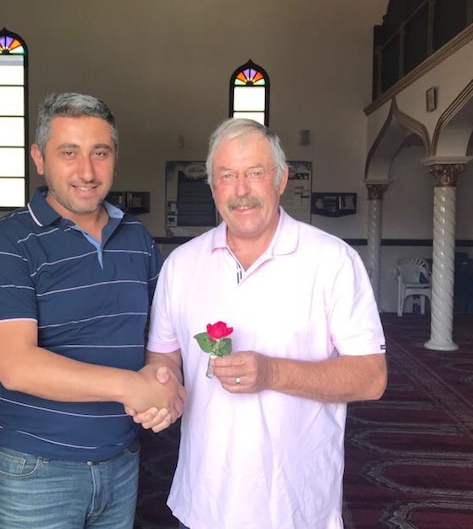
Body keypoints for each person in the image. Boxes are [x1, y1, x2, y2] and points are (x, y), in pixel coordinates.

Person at [141, 117, 388, 529]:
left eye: (255, 173)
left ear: (281, 178)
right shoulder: (182, 265)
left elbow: (370, 377)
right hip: (204, 503)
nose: (241, 190)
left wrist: (272, 372)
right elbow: (163, 358)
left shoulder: (331, 260)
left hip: (295, 507)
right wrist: (160, 390)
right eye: (227, 176)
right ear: (213, 186)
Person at [0, 92, 185, 529]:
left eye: (99, 153)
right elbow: (17, 367)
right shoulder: (7, 242)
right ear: (39, 158)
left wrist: (167, 387)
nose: (86, 171)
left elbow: (161, 340)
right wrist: (134, 387)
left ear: (114, 158)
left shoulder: (138, 239)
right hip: (33, 471)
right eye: (69, 153)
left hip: (121, 463)